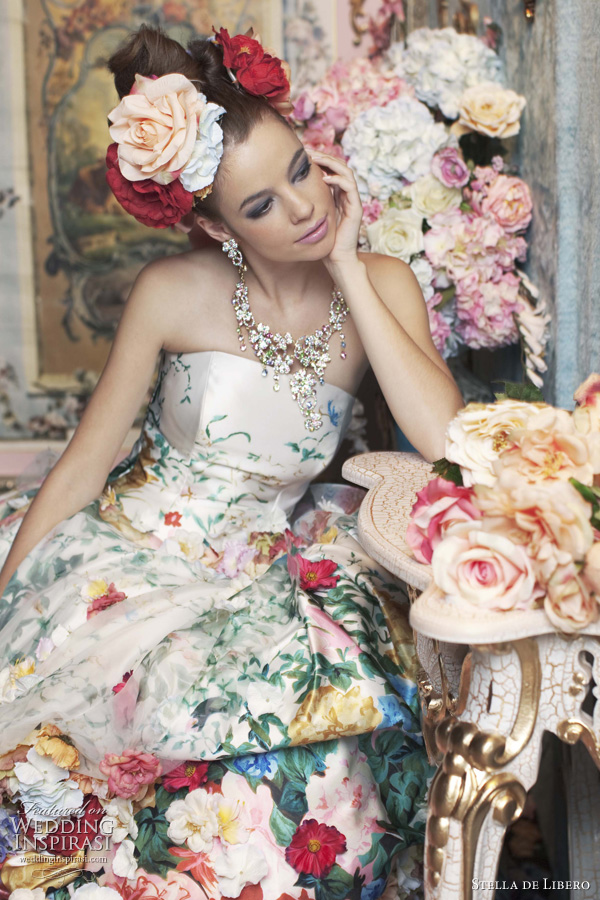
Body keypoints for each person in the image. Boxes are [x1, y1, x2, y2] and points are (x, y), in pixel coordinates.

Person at [0, 23, 464, 900]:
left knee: (297, 799)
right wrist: (9, 600)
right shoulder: (171, 291)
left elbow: (447, 446)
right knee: (56, 791)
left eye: (299, 170)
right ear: (214, 227)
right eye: (261, 206)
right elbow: (83, 462)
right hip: (128, 558)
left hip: (262, 573)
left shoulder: (384, 280)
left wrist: (350, 268)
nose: (301, 209)